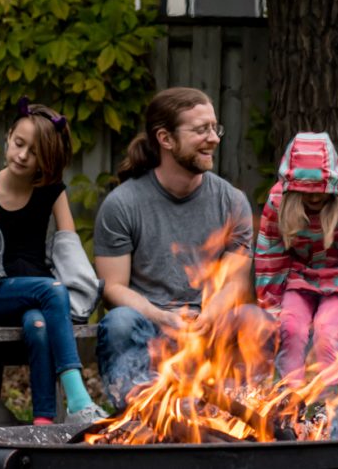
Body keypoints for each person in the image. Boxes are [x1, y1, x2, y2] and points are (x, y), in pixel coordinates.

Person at [94, 87, 261, 411]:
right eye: (201, 130)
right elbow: (112, 287)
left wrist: (207, 316)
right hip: (149, 327)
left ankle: (240, 418)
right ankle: (139, 417)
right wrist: (163, 317)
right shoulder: (122, 204)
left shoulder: (232, 201)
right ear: (165, 139)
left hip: (211, 326)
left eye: (215, 128)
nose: (213, 138)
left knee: (254, 319)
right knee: (119, 323)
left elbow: (235, 283)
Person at [0, 97, 105, 426]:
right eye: (19, 143)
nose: (22, 155)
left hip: (34, 293)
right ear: (9, 136)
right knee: (51, 290)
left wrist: (81, 291)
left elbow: (68, 247)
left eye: (34, 151)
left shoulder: (50, 191)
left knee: (38, 327)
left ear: (46, 159)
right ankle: (79, 400)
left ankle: (44, 425)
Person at [254, 132, 338, 388]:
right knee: (291, 328)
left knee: (326, 332)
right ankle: (291, 400)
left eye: (318, 191)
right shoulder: (278, 199)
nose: (312, 197)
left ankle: (328, 409)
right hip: (298, 280)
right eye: (305, 191)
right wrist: (271, 306)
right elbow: (270, 257)